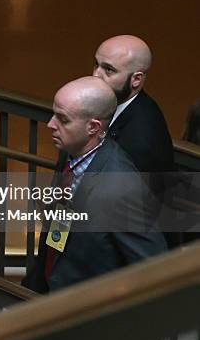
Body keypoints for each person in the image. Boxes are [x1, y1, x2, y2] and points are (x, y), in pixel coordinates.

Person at [22, 76, 166, 294]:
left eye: (63, 119)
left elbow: (153, 267)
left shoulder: (121, 187)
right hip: (52, 295)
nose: (50, 124)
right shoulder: (71, 154)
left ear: (93, 127)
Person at [92, 34, 176, 246]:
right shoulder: (106, 105)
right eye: (96, 65)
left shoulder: (142, 138)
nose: (95, 76)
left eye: (108, 70)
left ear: (136, 79)